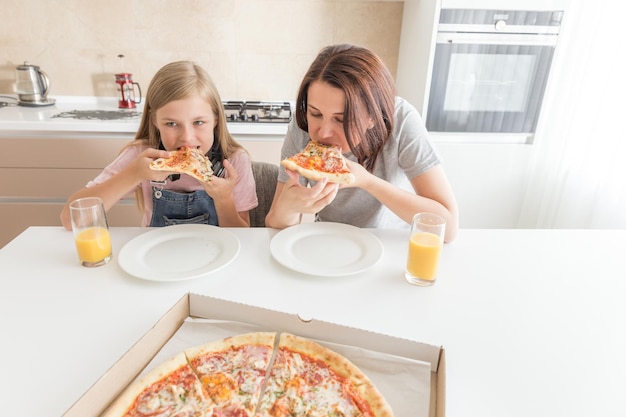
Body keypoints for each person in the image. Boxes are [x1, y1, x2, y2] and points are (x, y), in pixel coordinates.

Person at [265, 44, 459, 242]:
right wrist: (288, 206)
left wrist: (367, 181)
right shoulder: (302, 126)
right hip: (328, 242)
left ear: (373, 117)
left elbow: (449, 229)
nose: (323, 132)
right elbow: (275, 226)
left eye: (340, 119)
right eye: (315, 113)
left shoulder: (402, 120)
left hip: (391, 243)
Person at [60, 61, 257, 229]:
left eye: (198, 122)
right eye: (171, 124)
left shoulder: (235, 161)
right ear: (155, 121)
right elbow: (70, 220)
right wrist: (134, 174)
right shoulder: (142, 156)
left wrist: (224, 200)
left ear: (216, 119)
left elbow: (243, 238)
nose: (187, 138)